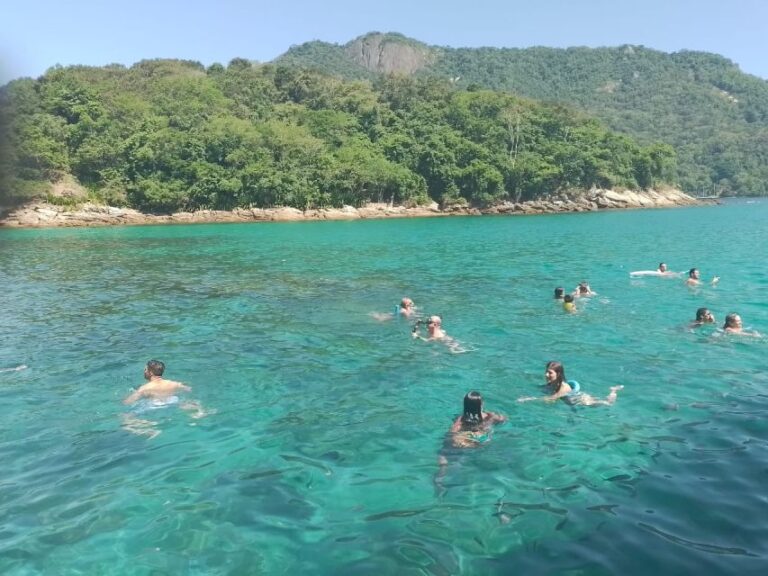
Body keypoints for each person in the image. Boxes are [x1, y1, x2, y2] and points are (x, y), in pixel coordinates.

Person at [518, 361, 623, 406]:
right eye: (546, 371)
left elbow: (551, 398)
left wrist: (530, 399)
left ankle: (613, 390)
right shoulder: (551, 383)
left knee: (608, 403)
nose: (546, 375)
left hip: (582, 400)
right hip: (569, 401)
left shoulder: (563, 387)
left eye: (550, 373)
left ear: (558, 374)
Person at [123, 360, 191, 405]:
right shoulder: (174, 384)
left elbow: (128, 402)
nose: (144, 371)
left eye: (145, 369)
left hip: (154, 405)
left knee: (125, 416)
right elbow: (188, 389)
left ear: (151, 372)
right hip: (172, 401)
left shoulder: (145, 388)